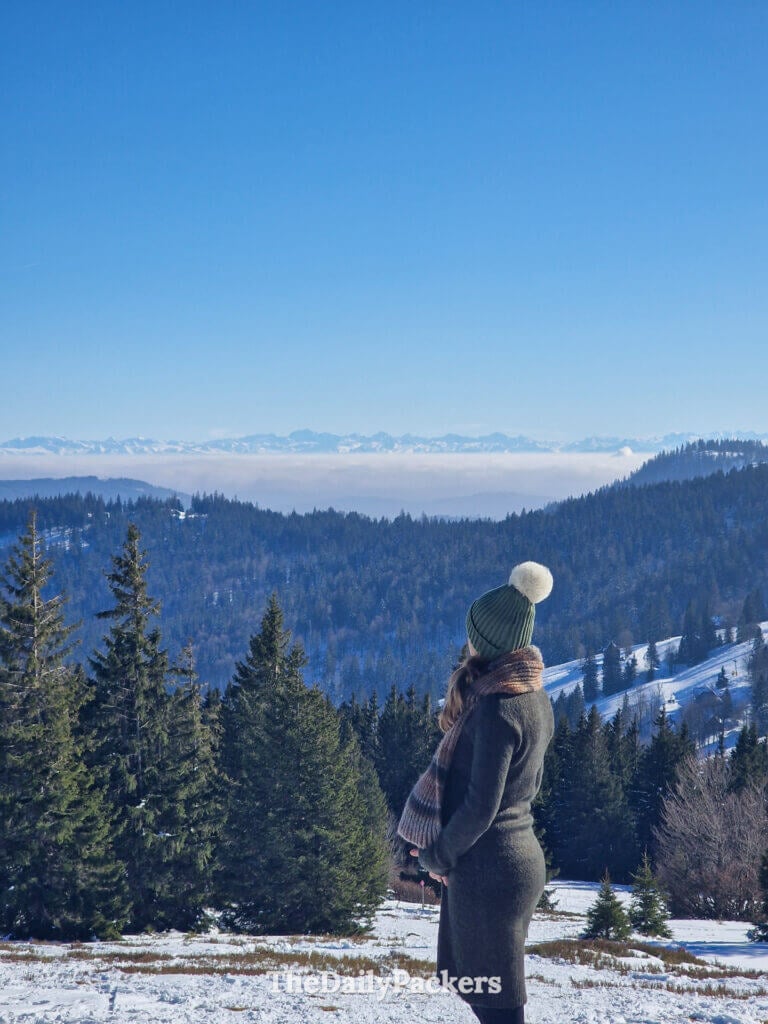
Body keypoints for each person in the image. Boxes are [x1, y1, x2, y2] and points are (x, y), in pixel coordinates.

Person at [397, 562, 556, 1024]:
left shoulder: (497, 708)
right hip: (513, 863)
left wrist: (437, 856)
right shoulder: (534, 698)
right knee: (488, 995)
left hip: (491, 872)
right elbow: (528, 789)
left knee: (497, 1006)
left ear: (487, 641)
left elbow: (482, 807)